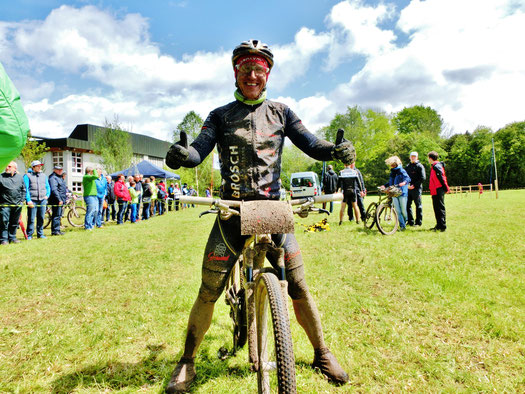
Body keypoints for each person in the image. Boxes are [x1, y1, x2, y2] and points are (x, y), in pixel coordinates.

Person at [164, 39, 354, 392]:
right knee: (209, 291)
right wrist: (182, 155)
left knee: (298, 287)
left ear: (267, 75)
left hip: (273, 210)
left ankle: (322, 352)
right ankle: (187, 361)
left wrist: (336, 149)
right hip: (232, 212)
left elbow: (311, 143)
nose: (252, 74)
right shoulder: (219, 116)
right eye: (245, 68)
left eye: (259, 69)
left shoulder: (282, 112)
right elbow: (198, 151)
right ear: (235, 73)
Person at [380, 156, 411, 231]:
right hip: (394, 193)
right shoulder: (392, 172)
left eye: (392, 164)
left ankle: (406, 220)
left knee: (403, 211)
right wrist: (385, 185)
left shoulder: (401, 170)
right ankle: (402, 226)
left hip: (402, 193)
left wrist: (404, 183)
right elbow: (391, 182)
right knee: (397, 211)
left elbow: (408, 179)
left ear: (395, 164)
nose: (391, 166)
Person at [0, 161, 26, 244]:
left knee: (14, 222)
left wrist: (22, 200)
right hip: (5, 205)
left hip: (17, 204)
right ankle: (4, 239)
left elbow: (23, 190)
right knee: (4, 222)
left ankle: (12, 238)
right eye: (7, 166)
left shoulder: (20, 177)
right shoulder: (1, 177)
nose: (7, 168)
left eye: (9, 166)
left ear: (15, 168)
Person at [24, 160, 50, 239]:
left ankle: (40, 233)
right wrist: (28, 200)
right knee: (31, 218)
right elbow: (26, 189)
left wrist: (47, 195)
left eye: (40, 166)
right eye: (37, 166)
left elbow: (47, 187)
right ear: (33, 167)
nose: (39, 167)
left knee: (41, 217)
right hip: (32, 200)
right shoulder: (27, 176)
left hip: (42, 200)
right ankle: (29, 234)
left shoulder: (44, 176)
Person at [428, 151, 450, 232]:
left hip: (439, 189)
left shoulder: (437, 166)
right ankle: (438, 225)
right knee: (436, 208)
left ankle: (442, 226)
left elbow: (442, 178)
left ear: (430, 158)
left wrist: (446, 188)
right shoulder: (434, 166)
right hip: (434, 190)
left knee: (440, 208)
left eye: (428, 158)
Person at [405, 152, 426, 227]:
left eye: (414, 156)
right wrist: (407, 185)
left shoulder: (420, 166)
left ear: (417, 157)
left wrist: (414, 185)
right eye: (412, 156)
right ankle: (410, 221)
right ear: (409, 157)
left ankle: (418, 222)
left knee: (418, 205)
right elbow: (405, 177)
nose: (413, 158)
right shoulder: (407, 166)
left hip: (416, 189)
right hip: (408, 189)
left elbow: (423, 178)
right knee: (407, 205)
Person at [48, 165, 67, 236]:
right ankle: (55, 231)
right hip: (56, 200)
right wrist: (59, 199)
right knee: (56, 215)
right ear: (54, 170)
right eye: (58, 170)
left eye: (61, 170)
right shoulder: (53, 178)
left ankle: (57, 229)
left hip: (61, 199)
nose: (60, 171)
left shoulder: (59, 177)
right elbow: (54, 189)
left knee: (58, 215)